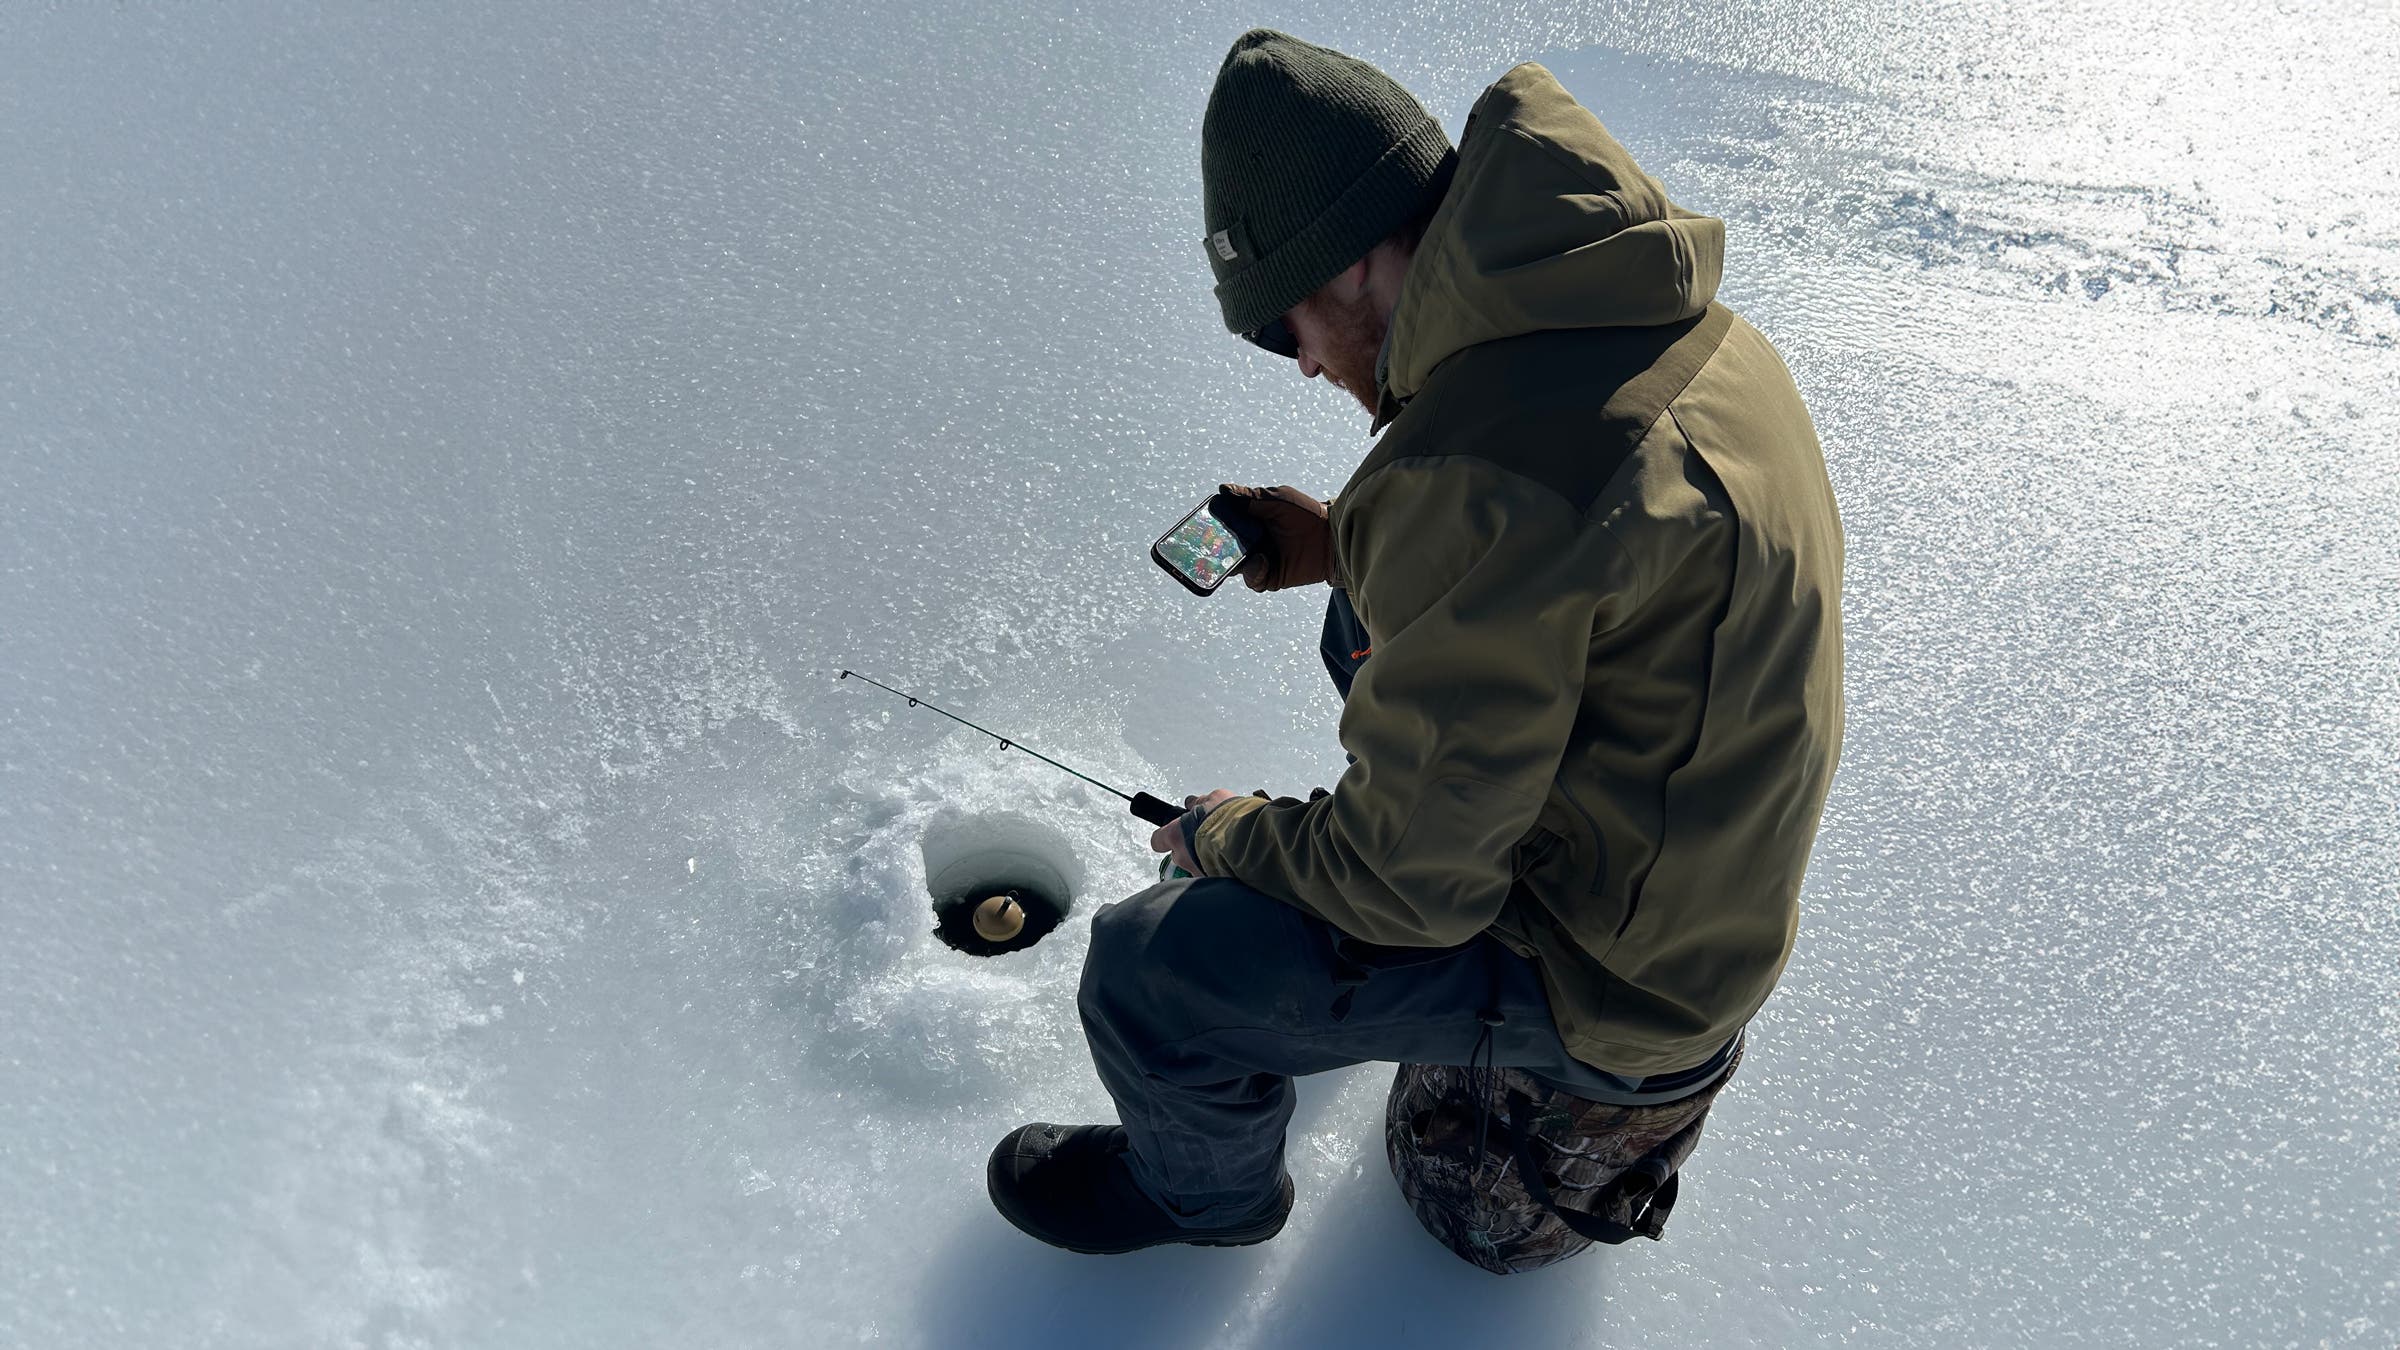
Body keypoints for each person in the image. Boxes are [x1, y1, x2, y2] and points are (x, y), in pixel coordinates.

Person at [986, 28, 1844, 1260]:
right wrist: (1348, 545)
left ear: (1353, 270)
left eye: (1285, 332)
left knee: (1150, 973)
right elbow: (1590, 545)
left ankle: (1201, 1197)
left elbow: (1409, 886)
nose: (1305, 368)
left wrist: (1221, 837)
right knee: (1364, 615)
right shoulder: (1661, 314)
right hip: (1682, 873)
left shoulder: (1466, 477)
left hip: (1621, 989)